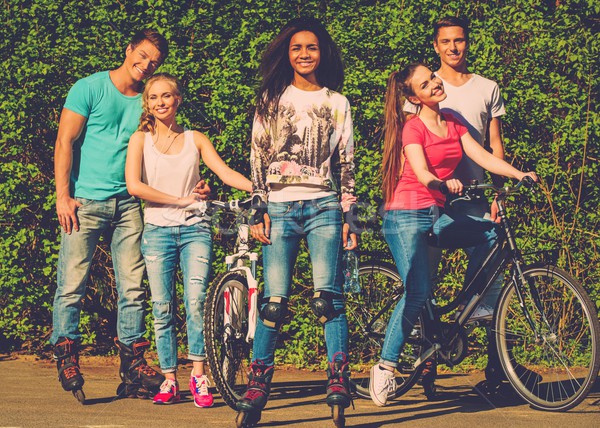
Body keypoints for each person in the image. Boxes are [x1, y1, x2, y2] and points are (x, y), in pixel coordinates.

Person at [50, 29, 206, 401]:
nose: (147, 64)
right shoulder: (89, 88)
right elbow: (64, 141)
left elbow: (171, 147)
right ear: (129, 50)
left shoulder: (147, 102)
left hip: (129, 205)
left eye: (154, 61)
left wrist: (194, 186)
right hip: (84, 201)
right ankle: (67, 354)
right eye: (143, 55)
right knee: (72, 283)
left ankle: (133, 362)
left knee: (134, 288)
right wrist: (63, 196)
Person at [369, 62, 537, 407]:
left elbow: (482, 155)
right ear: (413, 97)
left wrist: (519, 174)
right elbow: (421, 172)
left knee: (490, 234)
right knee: (417, 292)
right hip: (405, 215)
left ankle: (473, 305)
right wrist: (442, 182)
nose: (434, 83)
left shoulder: (454, 122)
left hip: (436, 215)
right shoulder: (412, 130)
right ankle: (386, 367)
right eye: (425, 83)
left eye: (433, 77)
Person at [235, 17, 357, 425]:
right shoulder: (270, 99)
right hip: (281, 208)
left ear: (323, 53)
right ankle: (258, 383)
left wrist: (349, 213)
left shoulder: (337, 102)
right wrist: (257, 209)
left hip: (323, 206)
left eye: (312, 48)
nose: (304, 55)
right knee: (273, 303)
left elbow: (347, 163)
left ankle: (339, 377)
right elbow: (256, 157)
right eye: (297, 48)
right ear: (287, 54)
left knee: (328, 299)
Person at [125, 73, 252, 406]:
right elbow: (134, 186)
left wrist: (259, 188)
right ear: (147, 103)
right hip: (156, 233)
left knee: (196, 302)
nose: (160, 103)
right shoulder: (140, 139)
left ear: (177, 100)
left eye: (166, 96)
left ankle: (199, 375)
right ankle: (169, 379)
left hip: (196, 229)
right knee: (161, 308)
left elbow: (224, 173)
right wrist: (179, 200)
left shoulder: (195, 138)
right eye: (154, 98)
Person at [404, 16, 509, 388]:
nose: (453, 48)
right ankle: (426, 360)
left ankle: (498, 369)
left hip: (476, 197)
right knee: (424, 281)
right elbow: (411, 144)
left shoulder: (487, 88)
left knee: (493, 277)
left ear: (468, 43)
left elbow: (494, 146)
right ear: (435, 46)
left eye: (459, 40)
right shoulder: (421, 84)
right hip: (434, 198)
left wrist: (499, 193)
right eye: (446, 41)